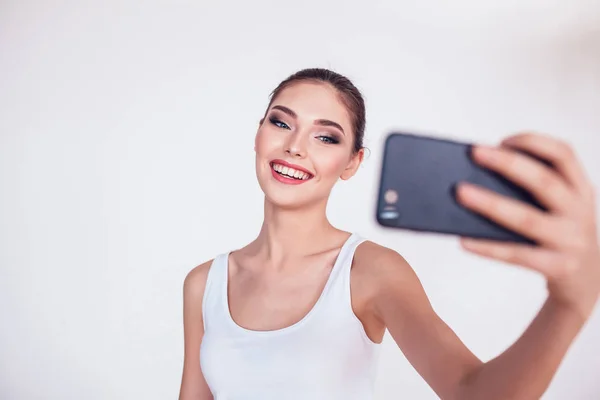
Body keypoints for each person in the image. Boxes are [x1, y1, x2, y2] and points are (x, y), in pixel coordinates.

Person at [178, 68, 600, 400]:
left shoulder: (371, 271)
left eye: (326, 136)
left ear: (352, 163)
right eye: (281, 123)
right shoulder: (204, 283)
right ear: (259, 134)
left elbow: (472, 392)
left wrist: (569, 305)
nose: (296, 147)